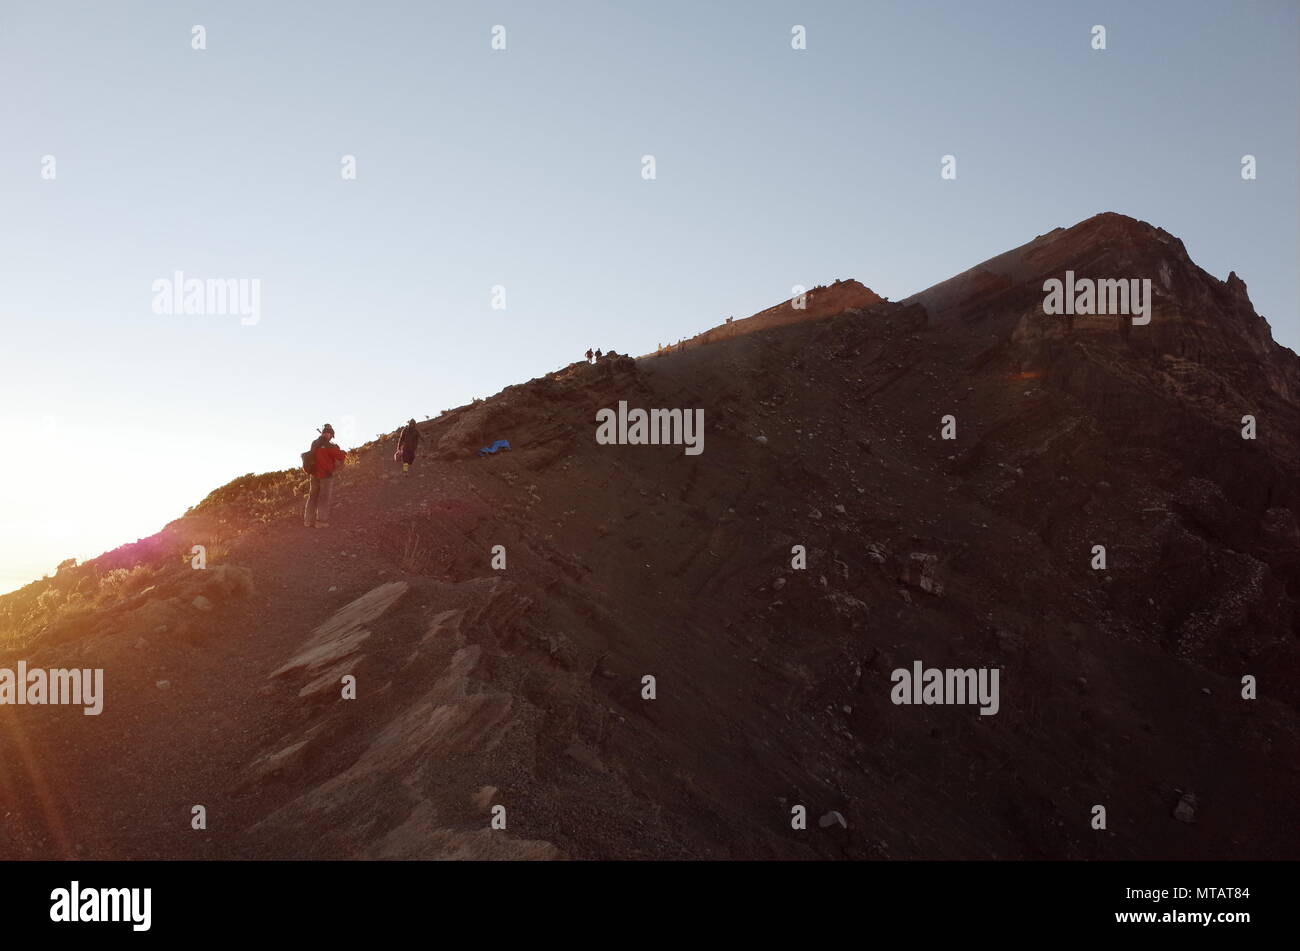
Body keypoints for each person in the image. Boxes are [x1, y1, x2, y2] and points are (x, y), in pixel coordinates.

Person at [305, 423, 347, 528]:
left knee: (312, 498)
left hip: (314, 475)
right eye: (329, 434)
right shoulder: (329, 446)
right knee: (324, 498)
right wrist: (340, 450)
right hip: (325, 476)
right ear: (329, 434)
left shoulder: (315, 443)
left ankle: (308, 521)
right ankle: (321, 522)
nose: (329, 435)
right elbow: (341, 455)